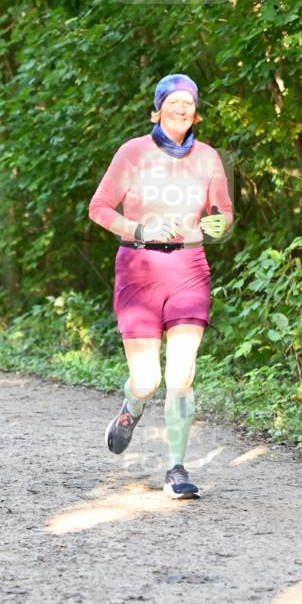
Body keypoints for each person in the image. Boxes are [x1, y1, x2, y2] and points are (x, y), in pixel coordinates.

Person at [88, 74, 233, 498]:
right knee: (148, 381)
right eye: (174, 101)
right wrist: (141, 228)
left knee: (182, 375)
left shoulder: (207, 158)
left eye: (189, 102)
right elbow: (98, 208)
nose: (182, 108)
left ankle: (176, 469)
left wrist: (221, 223)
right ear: (158, 109)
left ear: (196, 112)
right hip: (138, 267)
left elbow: (223, 212)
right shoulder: (133, 153)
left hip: (190, 267)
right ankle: (131, 409)